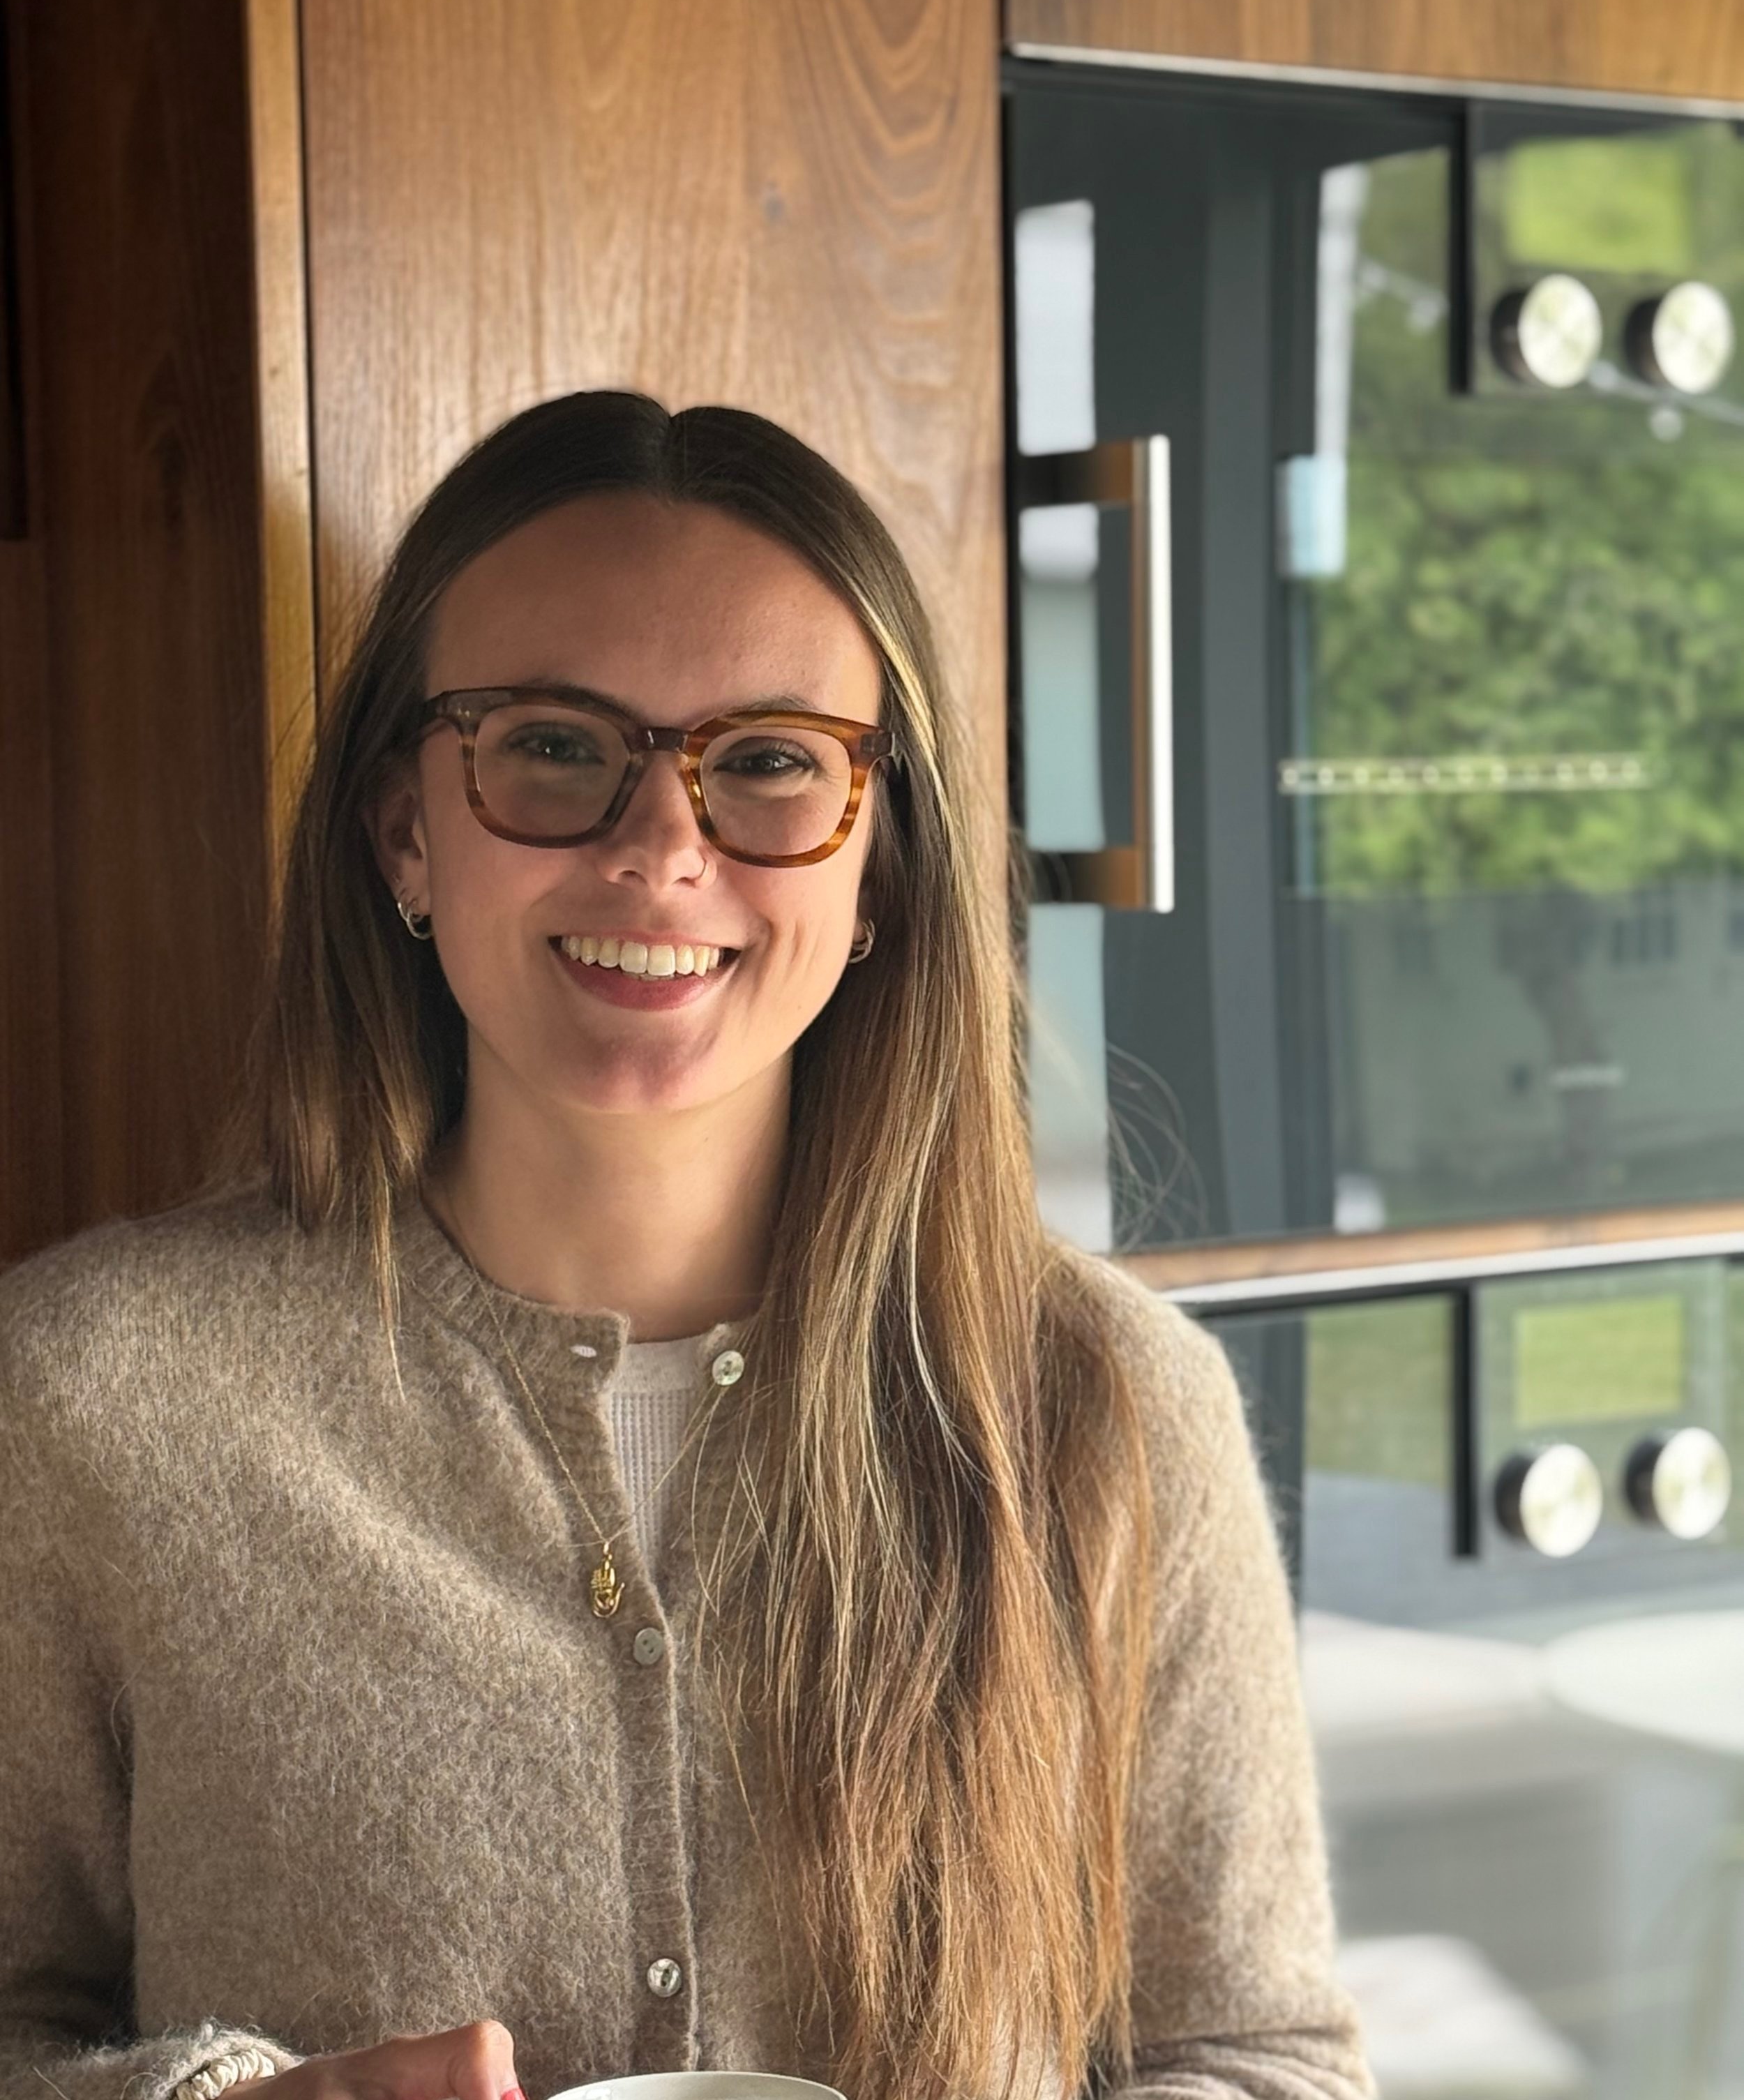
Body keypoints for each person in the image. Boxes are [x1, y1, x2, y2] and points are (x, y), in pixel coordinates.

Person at [0, 393, 1372, 2100]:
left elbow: (1258, 2050)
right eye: (554, 747)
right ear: (404, 829)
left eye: (772, 761)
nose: (661, 851)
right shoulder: (90, 1395)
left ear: (876, 868)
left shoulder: (1104, 1405)